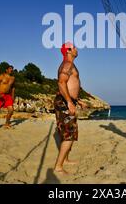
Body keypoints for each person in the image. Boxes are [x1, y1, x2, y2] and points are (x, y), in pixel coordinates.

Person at [54, 42, 86, 174]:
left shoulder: (70, 64)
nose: (76, 49)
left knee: (67, 132)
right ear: (68, 50)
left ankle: (65, 159)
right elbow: (61, 83)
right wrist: (69, 102)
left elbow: (70, 85)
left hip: (68, 100)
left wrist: (77, 100)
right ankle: (58, 167)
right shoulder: (67, 64)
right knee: (70, 134)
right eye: (74, 48)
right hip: (64, 102)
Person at [0, 65, 15, 131]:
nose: (11, 70)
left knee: (11, 110)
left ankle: (7, 124)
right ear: (6, 70)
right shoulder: (2, 76)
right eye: (10, 68)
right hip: (0, 95)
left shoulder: (13, 78)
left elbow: (13, 88)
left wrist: (13, 96)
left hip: (8, 96)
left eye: (12, 69)